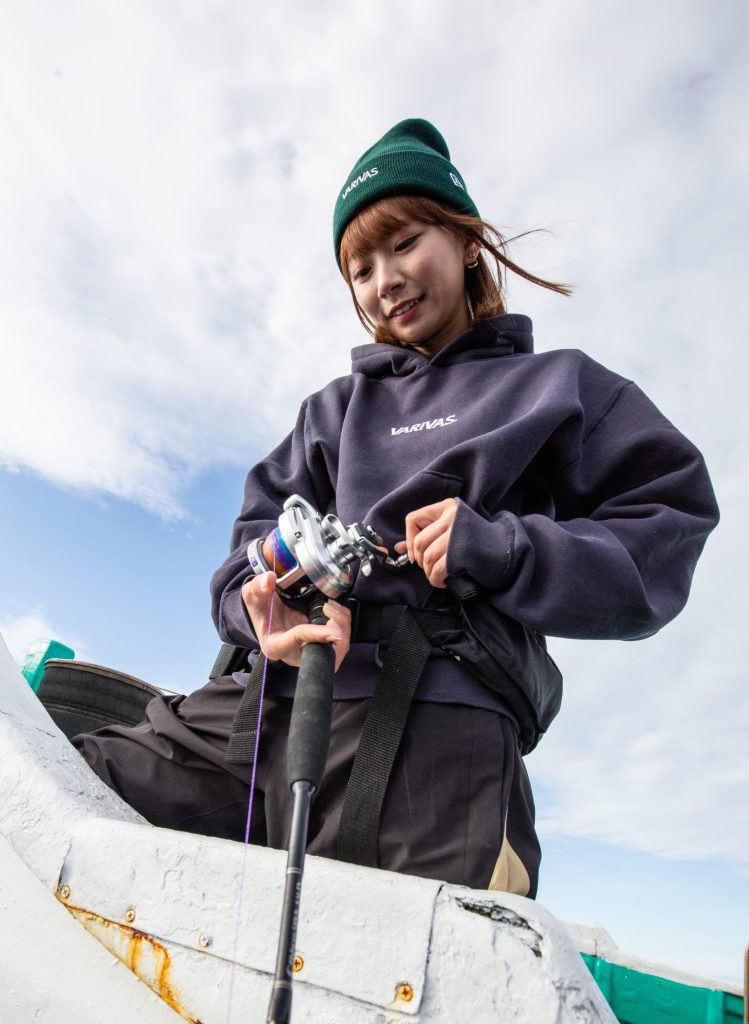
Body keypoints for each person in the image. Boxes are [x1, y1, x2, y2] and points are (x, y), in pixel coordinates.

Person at [74, 118, 719, 898]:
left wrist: (505, 547)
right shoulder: (331, 410)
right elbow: (244, 553)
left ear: (466, 240)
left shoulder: (559, 387)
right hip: (266, 710)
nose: (385, 279)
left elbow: (667, 521)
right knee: (61, 795)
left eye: (406, 241)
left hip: (437, 733)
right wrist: (259, 607)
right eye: (360, 267)